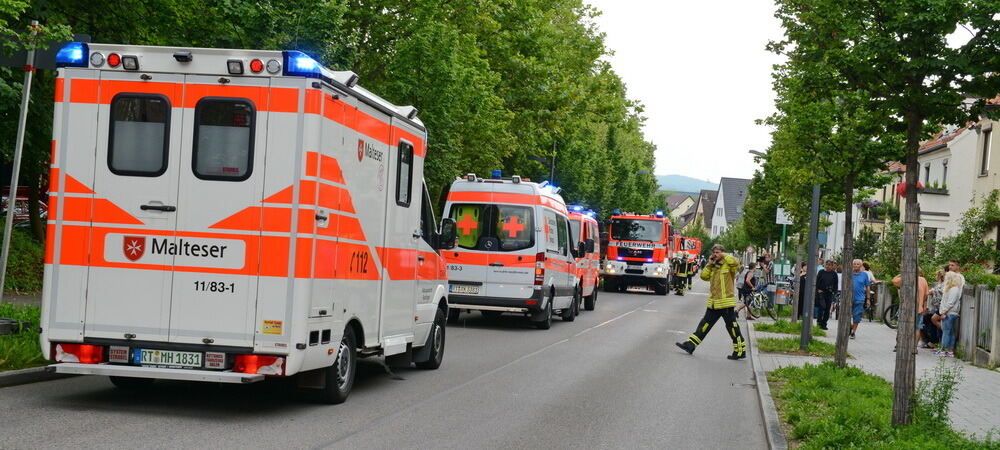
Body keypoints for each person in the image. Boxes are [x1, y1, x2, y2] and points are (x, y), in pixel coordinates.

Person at [676, 244, 746, 360]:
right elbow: (703, 276)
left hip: (726, 303)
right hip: (714, 303)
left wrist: (723, 255)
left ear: (723, 253)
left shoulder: (729, 265)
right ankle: (690, 344)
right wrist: (709, 264)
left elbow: (736, 262)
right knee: (704, 324)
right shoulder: (713, 266)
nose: (715, 254)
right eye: (714, 252)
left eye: (718, 252)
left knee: (732, 327)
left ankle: (740, 350)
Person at [891, 269, 928, 351]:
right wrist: (924, 307)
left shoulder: (905, 278)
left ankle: (899, 345)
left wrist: (901, 274)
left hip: (906, 308)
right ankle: (914, 348)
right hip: (919, 309)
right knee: (917, 328)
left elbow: (893, 281)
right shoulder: (923, 280)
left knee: (901, 326)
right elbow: (926, 296)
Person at [936, 271, 963, 357]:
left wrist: (943, 312)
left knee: (946, 332)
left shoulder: (954, 289)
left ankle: (943, 350)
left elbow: (950, 303)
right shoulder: (951, 288)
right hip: (949, 313)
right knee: (950, 332)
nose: (945, 279)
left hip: (949, 313)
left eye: (946, 277)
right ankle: (950, 351)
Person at [849, 259, 871, 339]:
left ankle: (853, 332)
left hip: (860, 299)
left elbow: (868, 287)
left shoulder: (864, 275)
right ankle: (850, 326)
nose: (855, 265)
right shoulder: (849, 274)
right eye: (854, 264)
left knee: (857, 316)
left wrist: (868, 299)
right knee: (847, 315)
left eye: (858, 264)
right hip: (848, 298)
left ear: (861, 266)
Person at [815, 260, 838, 330]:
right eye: (827, 264)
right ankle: (819, 322)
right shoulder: (821, 272)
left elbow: (835, 283)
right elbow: (817, 281)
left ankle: (824, 324)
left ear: (832, 266)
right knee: (822, 307)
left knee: (827, 309)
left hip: (829, 293)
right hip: (821, 292)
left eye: (830, 265)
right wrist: (817, 290)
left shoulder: (834, 274)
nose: (828, 266)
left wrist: (834, 291)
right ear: (825, 265)